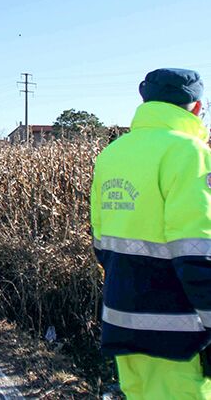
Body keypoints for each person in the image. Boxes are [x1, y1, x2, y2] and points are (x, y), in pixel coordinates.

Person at [91, 68, 211, 398]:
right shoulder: (190, 154)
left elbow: (102, 245)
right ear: (197, 108)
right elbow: (197, 254)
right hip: (179, 335)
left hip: (122, 320)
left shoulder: (111, 154)